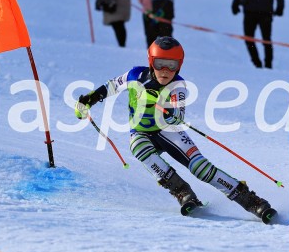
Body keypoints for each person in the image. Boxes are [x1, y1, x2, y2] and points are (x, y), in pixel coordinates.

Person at [74, 36, 277, 223]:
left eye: (172, 66)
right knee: (138, 148)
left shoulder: (178, 85)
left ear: (179, 67)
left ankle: (253, 202)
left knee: (201, 169)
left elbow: (178, 116)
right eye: (160, 64)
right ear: (151, 62)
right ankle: (183, 193)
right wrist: (88, 101)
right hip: (142, 132)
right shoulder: (135, 74)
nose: (165, 71)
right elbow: (110, 87)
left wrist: (166, 109)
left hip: (167, 131)